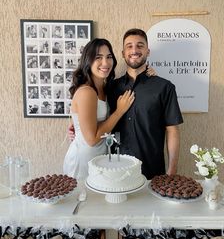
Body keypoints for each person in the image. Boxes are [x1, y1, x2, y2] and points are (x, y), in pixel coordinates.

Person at [108, 28, 183, 179]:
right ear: (123, 53)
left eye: (140, 45)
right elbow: (97, 117)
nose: (134, 50)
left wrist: (171, 172)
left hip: (152, 172)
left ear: (148, 51)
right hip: (115, 169)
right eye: (129, 46)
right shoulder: (111, 87)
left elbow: (172, 131)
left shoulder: (164, 87)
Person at [63, 38, 135, 180]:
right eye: (98, 58)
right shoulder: (87, 92)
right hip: (83, 160)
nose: (105, 63)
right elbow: (92, 139)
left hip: (99, 158)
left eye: (109, 57)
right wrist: (119, 111)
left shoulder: (105, 87)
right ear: (88, 61)